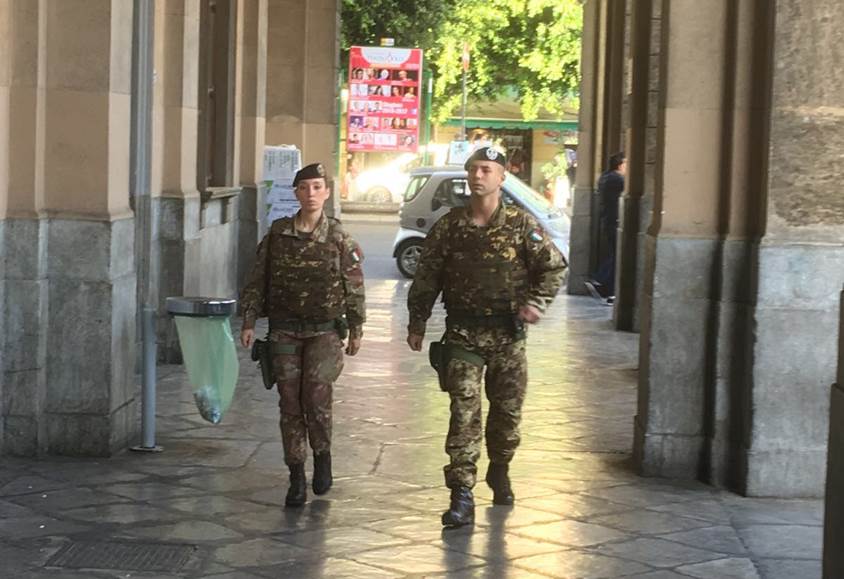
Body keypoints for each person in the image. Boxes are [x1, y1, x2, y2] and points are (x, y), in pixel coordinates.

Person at [406, 147, 567, 528]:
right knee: (464, 412)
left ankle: (500, 467)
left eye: (486, 170)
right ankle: (461, 494)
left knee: (506, 416)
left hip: (508, 337)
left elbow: (553, 267)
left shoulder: (519, 225)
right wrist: (417, 321)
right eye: (473, 170)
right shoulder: (449, 226)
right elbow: (426, 276)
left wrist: (536, 304)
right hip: (463, 333)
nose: (478, 176)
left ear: (501, 178)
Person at [239, 163, 366, 508]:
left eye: (317, 187)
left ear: (326, 192)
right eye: (304, 187)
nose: (310, 194)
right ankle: (296, 474)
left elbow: (353, 286)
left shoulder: (339, 238)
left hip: (324, 332)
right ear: (296, 193)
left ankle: (322, 456)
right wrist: (249, 320)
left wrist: (356, 328)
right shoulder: (278, 235)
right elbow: (256, 280)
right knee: (290, 403)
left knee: (317, 398)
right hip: (285, 331)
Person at [586, 151, 626, 304]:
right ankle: (601, 282)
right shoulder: (617, 179)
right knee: (616, 255)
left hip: (608, 221)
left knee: (614, 254)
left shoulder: (605, 177)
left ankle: (602, 284)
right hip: (614, 221)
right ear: (621, 165)